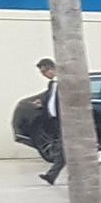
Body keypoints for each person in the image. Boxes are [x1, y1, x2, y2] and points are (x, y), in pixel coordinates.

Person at [33, 57, 64, 185]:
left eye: (44, 72)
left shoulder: (63, 83)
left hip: (64, 121)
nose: (44, 76)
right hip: (54, 121)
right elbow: (50, 99)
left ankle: (52, 175)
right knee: (61, 150)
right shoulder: (52, 84)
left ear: (51, 69)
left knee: (61, 149)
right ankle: (52, 175)